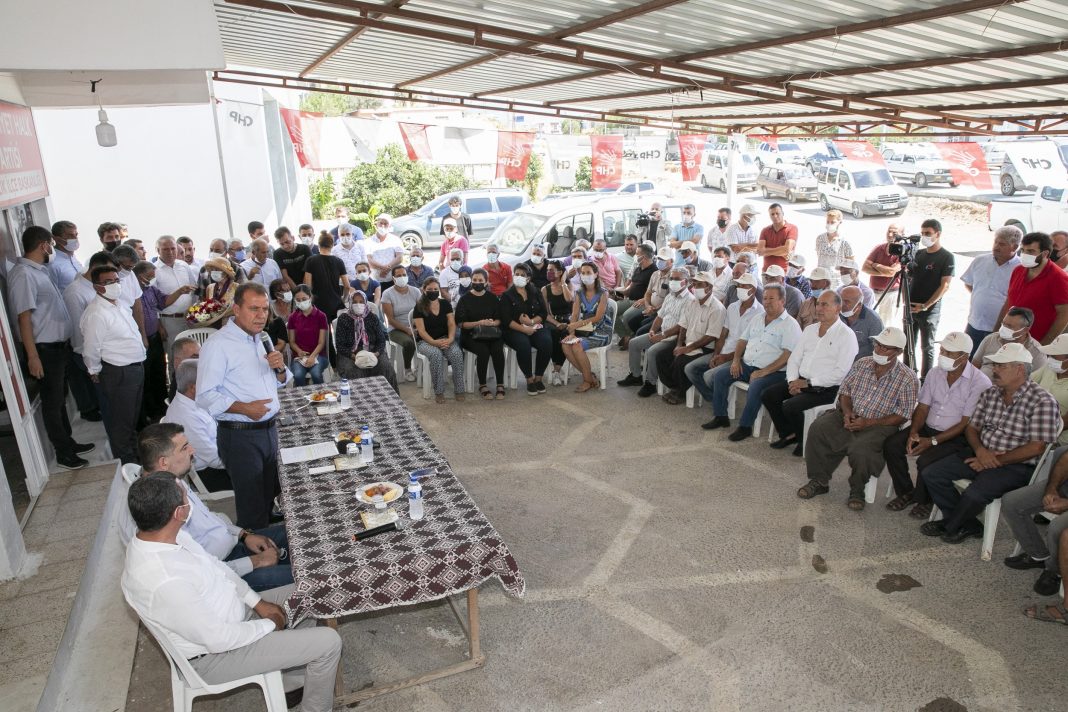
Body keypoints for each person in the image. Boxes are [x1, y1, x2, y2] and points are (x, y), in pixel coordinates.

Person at [121, 473, 340, 712]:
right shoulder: (164, 580)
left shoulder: (169, 536)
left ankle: (293, 679)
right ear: (178, 513)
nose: (190, 503)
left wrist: (257, 603)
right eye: (186, 499)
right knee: (329, 642)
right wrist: (269, 623)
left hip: (235, 614)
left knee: (308, 593)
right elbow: (219, 639)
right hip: (215, 656)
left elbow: (218, 569)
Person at [921, 342, 1061, 543]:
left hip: (1016, 465)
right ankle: (966, 523)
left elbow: (1036, 447)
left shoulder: (1042, 401)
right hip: (981, 453)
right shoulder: (991, 393)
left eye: (1001, 366)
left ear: (1020, 369)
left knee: (975, 493)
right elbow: (972, 428)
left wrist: (997, 459)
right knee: (932, 474)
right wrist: (980, 451)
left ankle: (951, 524)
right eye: (994, 365)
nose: (994, 369)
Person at [197, 283, 292, 530]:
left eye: (264, 309)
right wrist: (244, 408)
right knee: (251, 507)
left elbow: (279, 381)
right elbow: (205, 396)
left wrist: (280, 369)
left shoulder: (262, 339)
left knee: (268, 498)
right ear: (236, 309)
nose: (261, 315)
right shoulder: (218, 345)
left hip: (269, 430)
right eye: (254, 309)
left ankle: (274, 541)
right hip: (240, 435)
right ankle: (257, 559)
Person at [798, 327, 919, 510]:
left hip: (880, 424)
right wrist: (847, 413)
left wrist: (869, 422)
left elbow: (903, 415)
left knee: (861, 449)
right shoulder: (862, 363)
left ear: (899, 352)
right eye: (877, 344)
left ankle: (857, 489)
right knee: (819, 428)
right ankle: (819, 480)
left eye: (886, 348)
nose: (878, 350)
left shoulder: (908, 378)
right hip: (849, 414)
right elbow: (845, 393)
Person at [882, 332, 992, 517]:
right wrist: (914, 432)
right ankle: (907, 492)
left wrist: (931, 441)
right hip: (928, 426)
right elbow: (923, 407)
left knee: (927, 460)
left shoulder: (980, 382)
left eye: (950, 353)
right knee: (892, 445)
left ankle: (924, 501)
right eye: (942, 351)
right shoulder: (935, 372)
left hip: (956, 435)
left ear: (964, 357)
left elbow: (965, 423)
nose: (944, 356)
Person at [11, 227, 93, 469]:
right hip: (44, 350)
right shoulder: (23, 274)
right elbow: (24, 318)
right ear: (43, 245)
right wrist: (32, 356)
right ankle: (63, 452)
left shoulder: (39, 271)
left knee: (60, 401)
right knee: (52, 402)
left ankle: (69, 442)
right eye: (50, 244)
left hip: (58, 347)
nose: (53, 249)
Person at [763, 290, 858, 456]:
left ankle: (803, 440)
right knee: (768, 395)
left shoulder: (846, 335)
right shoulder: (810, 330)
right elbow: (794, 358)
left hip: (827, 388)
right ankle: (789, 433)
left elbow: (840, 373)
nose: (819, 308)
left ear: (838, 308)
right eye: (818, 304)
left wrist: (808, 383)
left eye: (824, 304)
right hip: (801, 381)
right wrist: (792, 381)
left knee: (790, 406)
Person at [702, 284, 799, 439]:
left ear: (783, 301)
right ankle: (721, 416)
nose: (766, 302)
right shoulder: (758, 318)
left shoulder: (790, 324)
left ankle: (745, 426)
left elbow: (787, 356)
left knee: (756, 386)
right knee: (720, 375)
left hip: (774, 372)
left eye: (771, 298)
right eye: (765, 298)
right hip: (748, 365)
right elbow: (742, 341)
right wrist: (735, 361)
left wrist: (763, 372)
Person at [81, 264, 147, 464]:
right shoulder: (96, 313)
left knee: (132, 419)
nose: (115, 285)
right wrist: (94, 370)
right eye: (108, 282)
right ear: (97, 287)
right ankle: (127, 465)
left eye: (116, 280)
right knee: (122, 423)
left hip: (135, 367)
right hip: (119, 372)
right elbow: (91, 347)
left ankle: (135, 459)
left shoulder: (119, 304)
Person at [691, 273, 765, 407]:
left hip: (739, 357)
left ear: (753, 290)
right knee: (691, 368)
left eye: (744, 286)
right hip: (723, 351)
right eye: (738, 285)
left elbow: (751, 345)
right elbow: (723, 334)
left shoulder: (760, 313)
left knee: (709, 376)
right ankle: (716, 399)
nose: (739, 288)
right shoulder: (732, 307)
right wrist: (717, 354)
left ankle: (720, 403)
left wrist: (726, 358)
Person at [1004, 446, 1068, 599]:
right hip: (1064, 486)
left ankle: (1054, 570)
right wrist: (1051, 489)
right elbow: (1065, 458)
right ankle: (1038, 555)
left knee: (1057, 528)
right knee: (1011, 503)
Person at [160, 362, 232, 492]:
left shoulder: (192, 399)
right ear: (193, 387)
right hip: (212, 474)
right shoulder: (185, 416)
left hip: (220, 454)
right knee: (263, 473)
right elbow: (214, 459)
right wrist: (244, 459)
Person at [624, 267, 694, 397]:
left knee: (652, 351)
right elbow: (660, 317)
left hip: (675, 337)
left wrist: (661, 336)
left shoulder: (690, 300)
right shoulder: (670, 296)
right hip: (662, 332)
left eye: (677, 279)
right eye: (671, 278)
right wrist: (652, 330)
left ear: (686, 281)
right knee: (634, 343)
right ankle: (635, 376)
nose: (673, 281)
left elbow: (681, 326)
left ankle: (650, 383)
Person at [64, 251, 114, 423]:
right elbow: (79, 332)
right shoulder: (75, 292)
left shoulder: (98, 287)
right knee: (106, 400)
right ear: (95, 267)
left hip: (108, 351)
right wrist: (91, 363)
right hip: (90, 353)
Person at [960, 226, 1022, 354]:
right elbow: (969, 283)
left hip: (1000, 329)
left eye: (1002, 244)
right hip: (974, 323)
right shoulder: (980, 260)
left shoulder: (1021, 269)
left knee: (990, 366)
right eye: (996, 242)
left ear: (1014, 247)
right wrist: (983, 298)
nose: (996, 246)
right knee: (967, 362)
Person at [998, 231, 1068, 345]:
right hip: (1009, 339)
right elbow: (1008, 303)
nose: (1025, 255)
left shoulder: (1058, 278)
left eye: (1031, 251)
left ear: (1045, 253)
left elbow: (1064, 315)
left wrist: (1043, 345)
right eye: (1023, 250)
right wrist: (996, 331)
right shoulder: (1018, 270)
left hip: (1034, 343)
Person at [908, 219, 955, 377]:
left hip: (929, 310)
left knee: (927, 346)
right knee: (908, 344)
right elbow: (908, 278)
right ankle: (908, 374)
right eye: (922, 233)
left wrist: (926, 305)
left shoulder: (946, 257)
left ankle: (925, 379)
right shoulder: (918, 254)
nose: (924, 237)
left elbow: (945, 286)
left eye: (928, 233)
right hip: (910, 307)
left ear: (938, 234)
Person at [498, 264, 552, 395]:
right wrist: (524, 329)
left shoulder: (535, 291)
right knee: (524, 345)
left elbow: (544, 314)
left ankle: (538, 377)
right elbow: (506, 320)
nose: (519, 277)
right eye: (517, 274)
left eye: (523, 275)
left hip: (535, 326)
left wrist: (531, 322)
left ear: (528, 278)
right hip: (513, 329)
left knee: (546, 342)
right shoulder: (506, 295)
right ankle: (529, 379)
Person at [561, 262, 615, 393]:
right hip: (586, 329)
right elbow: (574, 314)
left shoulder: (603, 293)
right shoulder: (579, 292)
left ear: (596, 274)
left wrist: (576, 325)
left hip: (602, 330)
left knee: (577, 346)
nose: (585, 276)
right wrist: (572, 332)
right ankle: (590, 376)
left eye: (589, 273)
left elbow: (598, 317)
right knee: (565, 344)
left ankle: (587, 381)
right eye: (583, 273)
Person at [412, 277, 465, 403]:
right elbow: (421, 331)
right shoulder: (419, 307)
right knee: (436, 355)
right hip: (425, 341)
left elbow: (451, 324)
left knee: (457, 354)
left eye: (436, 289)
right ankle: (439, 392)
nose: (433, 291)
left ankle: (459, 389)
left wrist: (451, 338)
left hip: (445, 338)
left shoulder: (445, 304)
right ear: (424, 290)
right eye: (430, 289)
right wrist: (433, 342)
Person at [456, 269, 507, 399]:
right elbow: (461, 324)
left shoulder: (492, 298)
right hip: (470, 335)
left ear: (486, 282)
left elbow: (499, 319)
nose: (477, 283)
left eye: (480, 281)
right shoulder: (464, 299)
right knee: (483, 351)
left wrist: (492, 323)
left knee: (497, 349)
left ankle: (500, 384)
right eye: (474, 280)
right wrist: (478, 323)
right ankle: (483, 385)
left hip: (491, 333)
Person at [335, 290, 398, 390]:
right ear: (350, 303)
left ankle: (391, 401)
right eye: (355, 302)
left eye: (361, 302)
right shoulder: (343, 319)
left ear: (365, 303)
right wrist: (354, 356)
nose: (358, 304)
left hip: (373, 351)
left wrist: (375, 355)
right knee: (353, 371)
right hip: (350, 353)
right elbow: (340, 344)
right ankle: (359, 401)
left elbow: (381, 340)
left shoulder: (372, 317)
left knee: (385, 368)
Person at [134, 260, 171, 425]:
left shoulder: (150, 289)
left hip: (155, 335)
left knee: (160, 371)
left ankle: (163, 406)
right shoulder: (132, 292)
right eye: (149, 276)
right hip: (143, 339)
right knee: (147, 376)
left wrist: (159, 325)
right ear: (140, 275)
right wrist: (143, 336)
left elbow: (162, 304)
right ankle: (151, 410)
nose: (152, 279)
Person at [153, 236, 199, 358]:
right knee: (175, 356)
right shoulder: (154, 270)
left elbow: (194, 290)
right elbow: (152, 302)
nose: (170, 252)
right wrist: (159, 326)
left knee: (194, 354)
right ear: (158, 250)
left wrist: (195, 312)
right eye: (165, 249)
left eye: (173, 248)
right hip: (169, 321)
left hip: (190, 317)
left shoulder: (183, 265)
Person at [971, 307, 1047, 379]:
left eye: (1009, 326)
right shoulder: (991, 338)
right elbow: (974, 366)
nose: (1004, 328)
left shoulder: (1037, 352)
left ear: (1025, 330)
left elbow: (1036, 382)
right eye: (1003, 324)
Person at [380, 265, 421, 381]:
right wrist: (407, 330)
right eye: (398, 275)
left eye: (404, 275)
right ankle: (407, 368)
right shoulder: (388, 294)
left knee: (428, 338)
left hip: (415, 325)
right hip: (396, 329)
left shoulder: (415, 291)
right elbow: (391, 319)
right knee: (409, 343)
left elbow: (421, 312)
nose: (402, 277)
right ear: (393, 278)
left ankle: (421, 367)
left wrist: (416, 327)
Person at [613, 243, 658, 346]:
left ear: (644, 256)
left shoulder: (654, 271)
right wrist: (616, 292)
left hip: (642, 302)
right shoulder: (638, 269)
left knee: (626, 316)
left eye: (637, 254)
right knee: (610, 310)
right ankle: (626, 336)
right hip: (630, 300)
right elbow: (629, 289)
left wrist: (644, 300)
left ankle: (631, 339)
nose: (635, 256)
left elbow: (654, 292)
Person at [863, 223, 904, 328]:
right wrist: (884, 272)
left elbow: (892, 272)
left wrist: (875, 265)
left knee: (885, 325)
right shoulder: (880, 248)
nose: (890, 235)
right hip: (874, 292)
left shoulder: (902, 252)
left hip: (890, 294)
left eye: (894, 233)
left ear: (901, 234)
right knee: (870, 323)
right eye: (888, 231)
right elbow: (865, 267)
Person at [287, 286, 329, 387]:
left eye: (304, 299)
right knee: (298, 375)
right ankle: (301, 398)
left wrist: (312, 356)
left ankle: (320, 396)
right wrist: (299, 351)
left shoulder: (321, 316)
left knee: (316, 374)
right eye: (298, 300)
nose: (301, 302)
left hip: (319, 355)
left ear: (310, 297)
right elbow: (291, 341)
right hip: (299, 356)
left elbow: (321, 342)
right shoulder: (293, 317)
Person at [1030, 333, 1068, 446]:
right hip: (1031, 424)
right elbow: (1025, 384)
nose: (1049, 359)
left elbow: (1065, 423)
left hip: (1056, 440)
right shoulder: (1049, 367)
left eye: (1054, 356)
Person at [302, 232, 347, 321]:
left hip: (318, 303)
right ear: (332, 245)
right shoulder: (339, 261)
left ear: (319, 245)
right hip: (336, 302)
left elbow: (308, 286)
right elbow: (347, 286)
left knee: (321, 332)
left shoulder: (311, 260)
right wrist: (343, 299)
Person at [542, 260, 573, 386]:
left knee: (565, 334)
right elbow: (545, 313)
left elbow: (569, 299)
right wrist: (556, 323)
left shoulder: (568, 286)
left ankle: (557, 370)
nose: (549, 272)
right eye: (547, 270)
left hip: (568, 319)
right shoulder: (545, 289)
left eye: (551, 270)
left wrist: (563, 283)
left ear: (560, 272)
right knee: (554, 333)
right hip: (552, 320)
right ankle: (556, 370)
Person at [839, 285, 883, 360]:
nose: (842, 305)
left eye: (847, 301)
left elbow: (879, 350)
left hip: (861, 364)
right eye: (840, 300)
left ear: (859, 305)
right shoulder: (836, 314)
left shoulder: (873, 321)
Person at [814, 209, 854, 289]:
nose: (829, 224)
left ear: (839, 223)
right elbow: (819, 255)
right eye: (827, 222)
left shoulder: (844, 242)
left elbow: (850, 264)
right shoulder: (820, 238)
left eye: (832, 222)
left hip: (835, 281)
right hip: (821, 278)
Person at [366, 214, 404, 289]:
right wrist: (383, 268)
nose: (383, 226)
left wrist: (387, 269)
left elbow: (399, 257)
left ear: (389, 226)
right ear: (376, 224)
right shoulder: (368, 241)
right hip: (374, 280)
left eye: (386, 224)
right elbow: (369, 259)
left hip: (392, 279)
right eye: (381, 223)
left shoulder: (395, 240)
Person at [757, 203, 797, 272]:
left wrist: (766, 251)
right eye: (772, 214)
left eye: (777, 213)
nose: (775, 216)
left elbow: (786, 249)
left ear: (783, 213)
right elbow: (760, 251)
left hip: (784, 272)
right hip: (767, 273)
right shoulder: (765, 230)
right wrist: (782, 252)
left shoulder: (792, 228)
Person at [49, 220, 82, 292]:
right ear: (57, 239)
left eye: (76, 235)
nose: (75, 239)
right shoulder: (52, 264)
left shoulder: (73, 258)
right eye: (70, 235)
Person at [273, 226, 311, 291]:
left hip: (307, 284)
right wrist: (297, 291)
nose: (285, 246)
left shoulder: (305, 249)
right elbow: (284, 275)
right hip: (291, 287)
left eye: (287, 242)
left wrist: (305, 290)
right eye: (281, 244)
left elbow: (308, 271)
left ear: (293, 238)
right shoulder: (277, 254)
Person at [265, 279, 293, 357]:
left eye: (289, 290)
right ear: (277, 294)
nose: (288, 293)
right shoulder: (271, 308)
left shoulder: (296, 305)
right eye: (285, 291)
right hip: (279, 341)